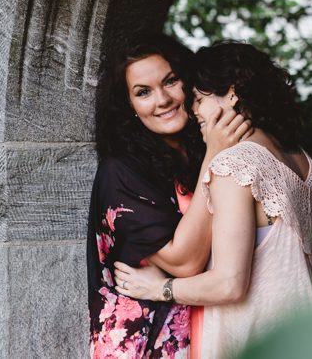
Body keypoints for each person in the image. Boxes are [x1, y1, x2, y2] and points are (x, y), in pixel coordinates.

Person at [113, 42, 312, 359]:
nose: (194, 111)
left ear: (231, 94)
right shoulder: (306, 163)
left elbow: (229, 284)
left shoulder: (234, 165)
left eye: (199, 99)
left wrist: (159, 289)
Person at [87, 33, 250, 358]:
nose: (162, 100)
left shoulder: (204, 149)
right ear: (129, 106)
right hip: (144, 342)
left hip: (211, 331)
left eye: (170, 81)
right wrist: (214, 155)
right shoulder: (121, 172)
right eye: (143, 92)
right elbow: (185, 262)